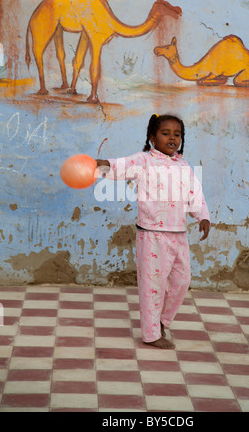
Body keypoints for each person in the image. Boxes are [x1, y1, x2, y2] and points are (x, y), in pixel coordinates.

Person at [96, 114, 210, 348]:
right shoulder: (143, 160)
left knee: (181, 281)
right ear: (152, 138)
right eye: (165, 133)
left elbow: (194, 193)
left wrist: (203, 216)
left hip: (178, 234)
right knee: (152, 285)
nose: (172, 138)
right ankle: (151, 334)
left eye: (177, 134)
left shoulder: (183, 165)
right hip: (151, 235)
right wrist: (98, 165)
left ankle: (162, 321)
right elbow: (118, 167)